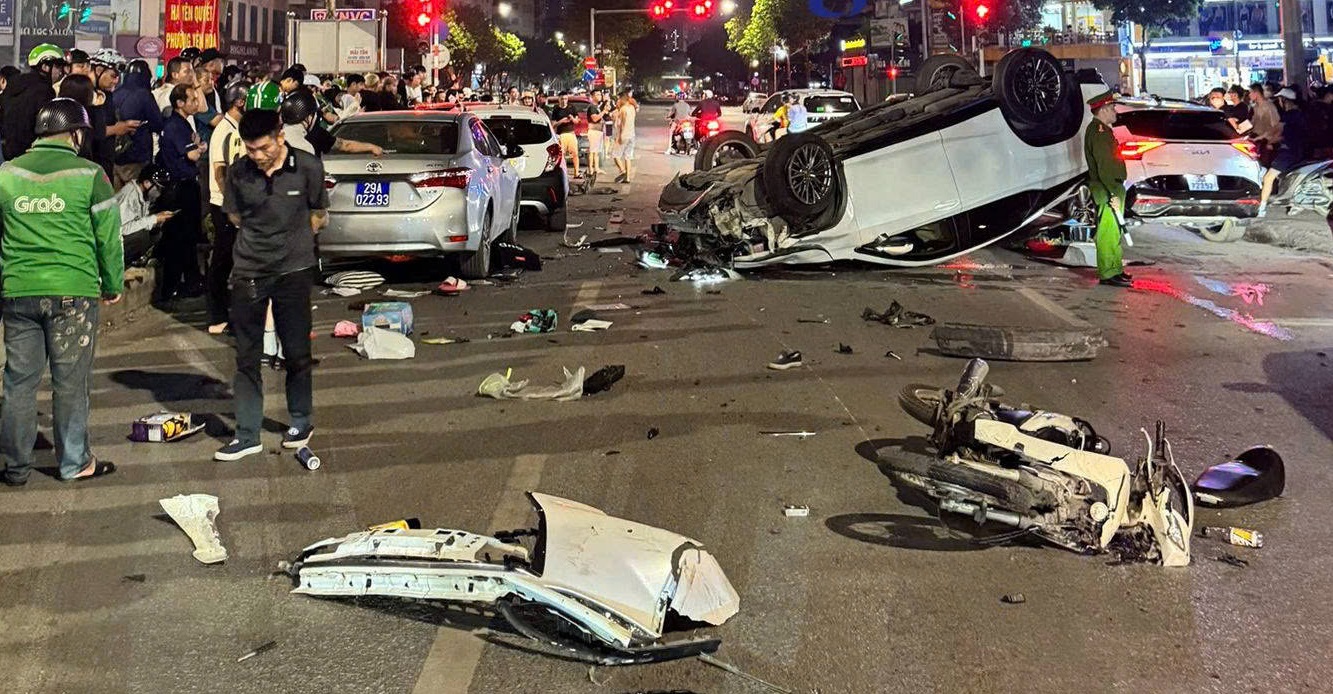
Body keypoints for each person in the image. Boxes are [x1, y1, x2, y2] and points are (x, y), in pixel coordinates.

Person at [0, 98, 123, 485]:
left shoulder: (6, 173)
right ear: (75, 134)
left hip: (18, 292)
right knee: (70, 382)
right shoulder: (90, 175)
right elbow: (109, 239)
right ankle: (73, 463)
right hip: (73, 293)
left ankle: (16, 467)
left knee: (18, 381)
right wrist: (113, 283)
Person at [215, 108, 328, 462]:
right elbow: (234, 216)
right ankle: (247, 434)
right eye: (251, 150)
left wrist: (293, 243)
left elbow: (319, 214)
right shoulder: (238, 172)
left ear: (281, 137)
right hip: (249, 271)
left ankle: (300, 421)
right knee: (246, 355)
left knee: (296, 352)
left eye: (263, 148)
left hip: (294, 272)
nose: (258, 156)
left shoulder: (308, 166)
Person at [155, 84, 207, 302]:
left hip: (184, 186)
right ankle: (172, 287)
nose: (196, 103)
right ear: (179, 103)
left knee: (186, 238)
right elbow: (193, 154)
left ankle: (192, 281)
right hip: (180, 188)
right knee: (178, 239)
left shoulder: (182, 123)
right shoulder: (176, 126)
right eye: (192, 100)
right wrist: (200, 148)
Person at [207, 80, 251, 334]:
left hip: (231, 204)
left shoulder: (234, 128)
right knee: (223, 262)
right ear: (239, 102)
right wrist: (232, 205)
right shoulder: (225, 131)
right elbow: (220, 172)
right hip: (223, 204)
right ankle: (217, 317)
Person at [1083, 90, 1131, 288]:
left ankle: (1115, 268)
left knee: (1114, 230)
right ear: (1102, 110)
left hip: (1111, 186)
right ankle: (1108, 272)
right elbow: (1105, 166)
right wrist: (1113, 193)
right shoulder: (1099, 132)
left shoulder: (1102, 130)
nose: (1115, 112)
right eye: (1111, 108)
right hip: (1107, 188)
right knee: (1108, 231)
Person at [1, 44, 66, 161]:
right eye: (58, 67)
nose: (60, 72)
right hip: (30, 153)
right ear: (45, 67)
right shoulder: (45, 90)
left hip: (6, 149)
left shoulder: (15, 84)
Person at [279, 90, 383, 159]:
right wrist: (372, 147)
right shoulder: (314, 136)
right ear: (308, 117)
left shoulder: (275, 134)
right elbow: (344, 145)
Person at [111, 59, 163, 189]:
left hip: (115, 156)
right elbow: (157, 123)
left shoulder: (115, 94)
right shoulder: (144, 95)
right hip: (137, 156)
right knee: (135, 198)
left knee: (117, 200)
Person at [1259, 87, 1306, 217]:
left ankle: (1261, 209)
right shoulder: (1300, 114)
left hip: (1288, 152)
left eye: (1279, 99)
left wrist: (1267, 140)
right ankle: (1295, 203)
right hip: (1299, 151)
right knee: (1291, 178)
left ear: (1284, 100)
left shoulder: (1289, 115)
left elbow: (1277, 131)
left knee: (1268, 178)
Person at [115, 163, 174, 260]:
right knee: (142, 236)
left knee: (157, 234)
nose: (159, 193)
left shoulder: (144, 196)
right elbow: (122, 229)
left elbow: (141, 222)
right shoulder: (129, 196)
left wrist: (157, 224)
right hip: (112, 242)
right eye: (158, 188)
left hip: (120, 241)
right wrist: (154, 219)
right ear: (147, 183)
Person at [549, 92, 581, 178]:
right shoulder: (556, 109)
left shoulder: (572, 108)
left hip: (571, 134)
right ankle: (563, 174)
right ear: (559, 99)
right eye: (562, 99)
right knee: (561, 156)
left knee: (575, 154)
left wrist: (572, 118)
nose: (564, 101)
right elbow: (553, 125)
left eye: (566, 99)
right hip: (561, 135)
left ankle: (576, 173)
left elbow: (577, 121)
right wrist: (562, 121)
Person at [1249, 82, 1282, 164]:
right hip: (1257, 140)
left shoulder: (1269, 106)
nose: (1249, 95)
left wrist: (1270, 142)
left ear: (1256, 93)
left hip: (1266, 142)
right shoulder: (1255, 107)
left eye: (1250, 92)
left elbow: (1276, 126)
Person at [612, 90, 638, 183]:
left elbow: (621, 124)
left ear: (622, 99)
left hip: (624, 135)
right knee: (628, 157)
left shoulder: (623, 109)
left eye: (619, 99)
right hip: (632, 135)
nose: (618, 101)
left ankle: (623, 171)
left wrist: (620, 136)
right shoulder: (632, 108)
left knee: (615, 155)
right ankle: (627, 178)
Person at [587, 88, 609, 175]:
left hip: (598, 132)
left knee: (596, 152)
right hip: (593, 131)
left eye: (600, 94)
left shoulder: (597, 107)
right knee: (592, 151)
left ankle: (596, 168)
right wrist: (603, 112)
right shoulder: (592, 107)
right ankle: (591, 169)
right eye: (597, 95)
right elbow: (595, 118)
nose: (600, 96)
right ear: (592, 96)